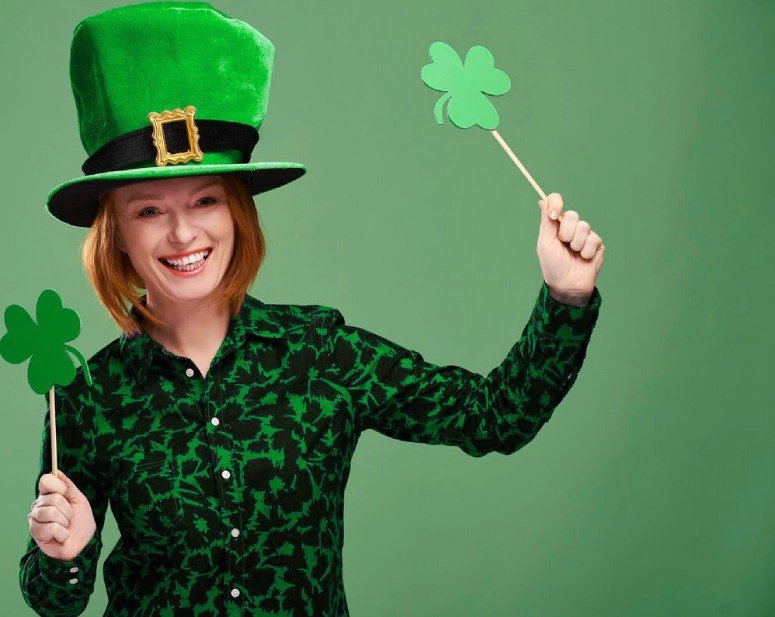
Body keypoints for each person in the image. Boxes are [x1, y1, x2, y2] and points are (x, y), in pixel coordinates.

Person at [19, 3, 605, 616]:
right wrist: (64, 554)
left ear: (237, 213)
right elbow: (54, 602)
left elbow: (494, 418)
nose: (183, 233)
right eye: (148, 210)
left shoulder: (321, 354)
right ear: (116, 234)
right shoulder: (87, 393)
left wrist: (566, 297)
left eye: (205, 201)